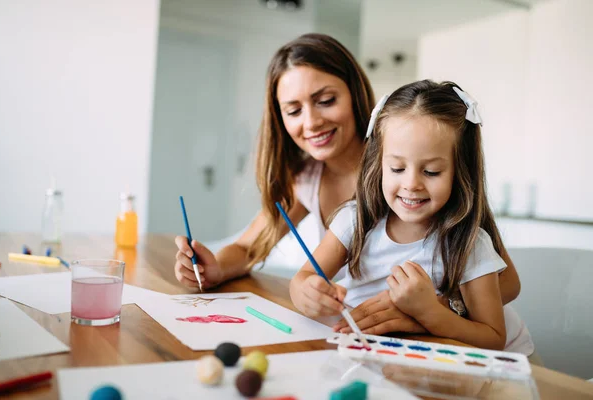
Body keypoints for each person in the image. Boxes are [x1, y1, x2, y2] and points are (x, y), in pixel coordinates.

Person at [173, 34, 521, 339]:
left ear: (354, 95)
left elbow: (508, 282)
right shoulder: (308, 179)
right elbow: (250, 247)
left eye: (326, 101)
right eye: (293, 111)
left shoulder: (411, 156)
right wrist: (213, 267)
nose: (312, 121)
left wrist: (431, 310)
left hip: (448, 340)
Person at [290, 80, 535, 356]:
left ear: (460, 172)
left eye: (431, 172)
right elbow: (306, 277)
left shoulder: (469, 241)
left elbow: (492, 339)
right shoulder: (355, 220)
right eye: (396, 168)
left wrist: (428, 312)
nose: (411, 184)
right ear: (378, 163)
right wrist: (304, 293)